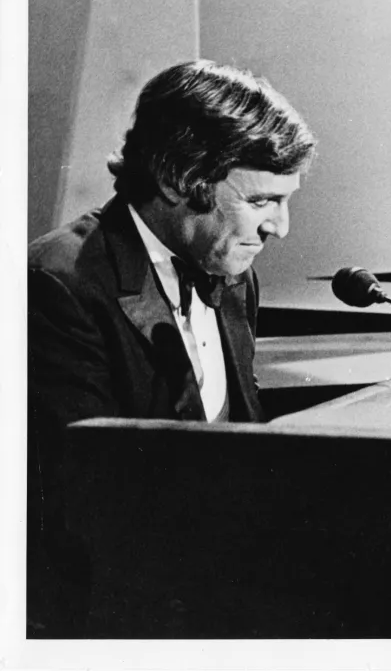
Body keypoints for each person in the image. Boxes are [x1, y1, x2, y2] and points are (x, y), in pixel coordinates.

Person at [27, 59, 316, 634]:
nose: (280, 227)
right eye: (260, 201)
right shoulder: (57, 285)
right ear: (177, 180)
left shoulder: (229, 265)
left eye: (286, 201)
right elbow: (89, 502)